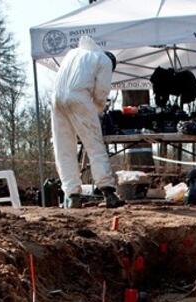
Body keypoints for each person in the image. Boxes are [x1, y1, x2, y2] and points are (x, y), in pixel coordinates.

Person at [51, 35, 124, 209]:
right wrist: (97, 111)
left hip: (56, 98)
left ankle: (72, 194)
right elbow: (101, 91)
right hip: (79, 97)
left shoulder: (74, 54)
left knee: (64, 147)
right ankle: (108, 191)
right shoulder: (104, 60)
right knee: (94, 145)